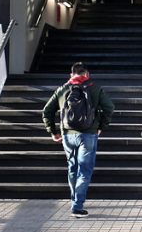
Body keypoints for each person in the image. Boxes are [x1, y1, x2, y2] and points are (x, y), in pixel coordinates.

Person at [42, 62, 114, 217]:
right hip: (89, 134)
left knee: (73, 168)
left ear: (71, 75)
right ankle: (77, 205)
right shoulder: (95, 88)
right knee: (84, 170)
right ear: (86, 74)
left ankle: (75, 200)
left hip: (68, 135)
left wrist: (53, 131)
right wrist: (101, 125)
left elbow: (47, 111)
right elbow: (109, 107)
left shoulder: (62, 90)